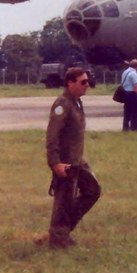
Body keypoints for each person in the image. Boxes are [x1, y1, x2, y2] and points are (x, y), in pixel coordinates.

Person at [45, 67, 101, 248]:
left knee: (93, 190)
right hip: (65, 163)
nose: (87, 85)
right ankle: (58, 238)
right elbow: (52, 135)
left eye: (88, 81)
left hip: (77, 161)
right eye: (83, 82)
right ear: (70, 83)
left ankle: (63, 230)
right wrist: (55, 163)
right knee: (63, 201)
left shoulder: (76, 102)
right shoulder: (63, 104)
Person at [120, 58, 137, 132]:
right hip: (132, 94)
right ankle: (134, 128)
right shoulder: (133, 73)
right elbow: (136, 86)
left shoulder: (125, 72)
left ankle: (125, 128)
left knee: (127, 112)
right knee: (134, 112)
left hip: (126, 94)